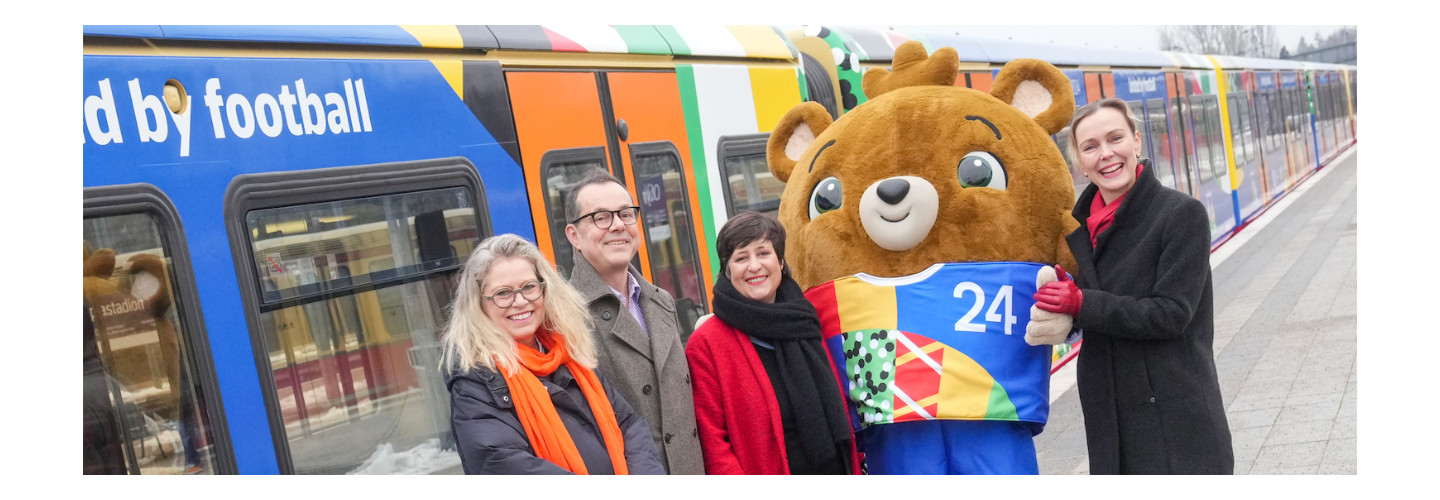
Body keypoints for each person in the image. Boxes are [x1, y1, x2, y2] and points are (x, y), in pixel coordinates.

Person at [1033, 98, 1234, 474]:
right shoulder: (1076, 229)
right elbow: (1084, 310)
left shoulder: (1180, 215)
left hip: (1173, 416)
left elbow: (1171, 314)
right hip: (1109, 417)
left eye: (1115, 138)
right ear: (1078, 160)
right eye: (1090, 147)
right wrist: (1062, 312)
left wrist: (1080, 303)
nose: (1106, 154)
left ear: (1137, 142)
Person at [441, 233, 664, 475]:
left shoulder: (568, 354)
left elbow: (629, 425)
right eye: (503, 293)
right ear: (479, 304)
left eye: (529, 287)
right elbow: (503, 462)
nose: (520, 301)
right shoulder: (474, 383)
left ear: (545, 289)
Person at [684, 211, 860, 475]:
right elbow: (712, 441)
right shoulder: (706, 344)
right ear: (727, 269)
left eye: (763, 253)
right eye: (741, 258)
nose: (754, 266)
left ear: (780, 261)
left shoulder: (805, 319)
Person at [563, 171, 704, 474]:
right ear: (574, 236)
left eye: (626, 214)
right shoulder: (565, 318)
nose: (617, 225)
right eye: (600, 217)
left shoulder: (661, 301)